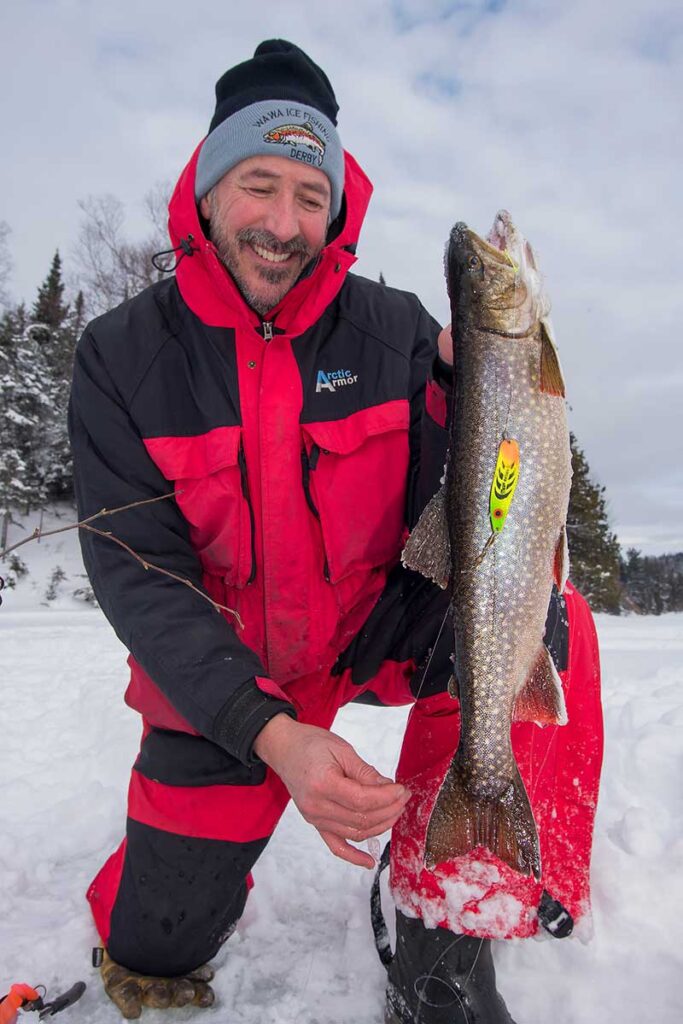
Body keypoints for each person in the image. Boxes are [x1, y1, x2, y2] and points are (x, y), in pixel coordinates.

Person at [69, 40, 603, 1023]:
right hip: (223, 681)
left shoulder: (397, 331)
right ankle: (172, 860)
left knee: (544, 617)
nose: (281, 224)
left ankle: (448, 911)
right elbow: (139, 580)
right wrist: (274, 734)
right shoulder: (120, 359)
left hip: (368, 629)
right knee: (154, 943)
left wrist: (463, 399)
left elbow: (472, 517)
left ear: (337, 206)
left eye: (308, 195)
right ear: (205, 187)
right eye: (257, 186)